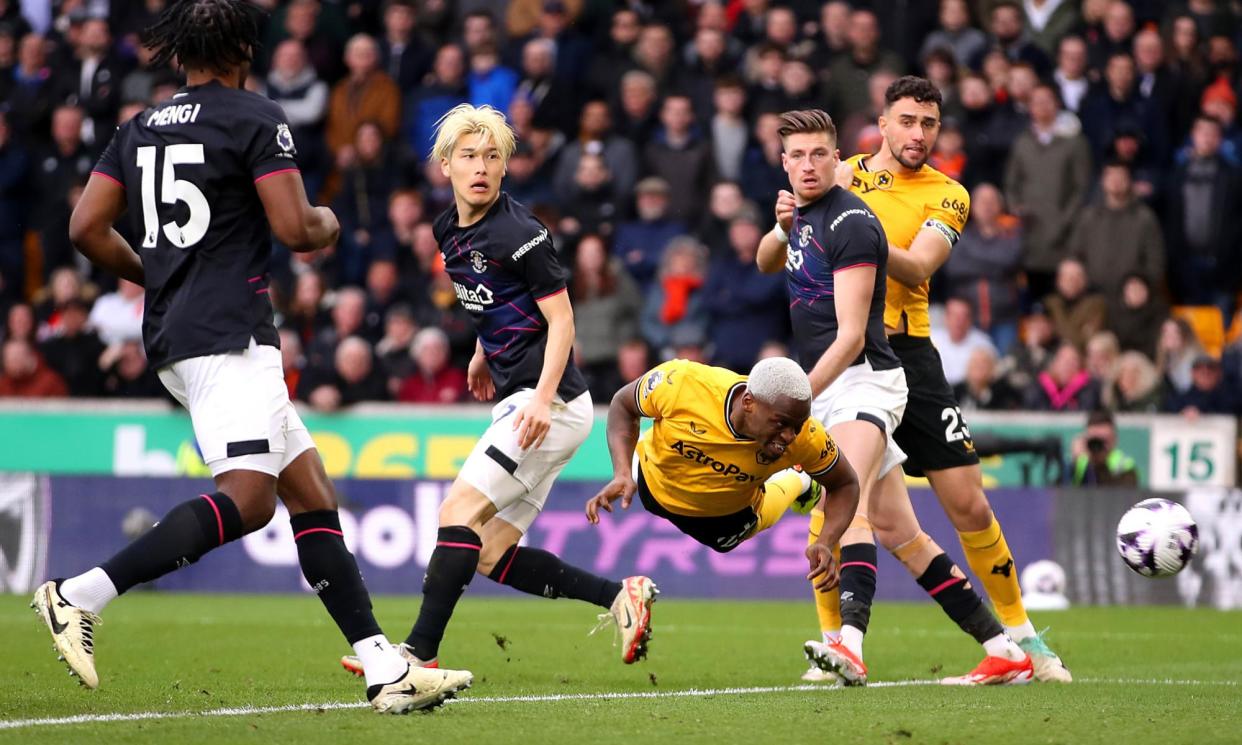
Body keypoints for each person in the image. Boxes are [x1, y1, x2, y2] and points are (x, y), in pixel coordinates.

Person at [39, 0, 471, 714]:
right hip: (226, 334)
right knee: (248, 500)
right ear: (243, 50)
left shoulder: (138, 125)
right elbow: (297, 228)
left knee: (310, 493)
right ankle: (77, 593)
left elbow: (86, 227)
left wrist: (158, 273)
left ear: (181, 55)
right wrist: (329, 223)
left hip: (181, 331)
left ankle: (382, 667)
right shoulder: (253, 116)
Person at [339, 104, 655, 678]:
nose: (481, 167)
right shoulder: (447, 232)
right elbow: (494, 299)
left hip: (547, 403)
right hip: (537, 400)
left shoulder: (522, 232)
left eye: (493, 157)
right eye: (469, 156)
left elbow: (562, 322)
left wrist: (539, 397)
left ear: (505, 169)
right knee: (487, 552)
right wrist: (482, 352)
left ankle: (417, 655)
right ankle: (619, 595)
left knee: (456, 511)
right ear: (446, 166)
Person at [757, 108, 1031, 687]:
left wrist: (798, 400)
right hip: (833, 379)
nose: (808, 165)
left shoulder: (854, 221)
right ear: (783, 164)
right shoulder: (805, 212)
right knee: (902, 535)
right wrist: (781, 227)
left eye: (818, 155)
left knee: (845, 499)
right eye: (797, 157)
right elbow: (764, 260)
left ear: (840, 159)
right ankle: (1004, 648)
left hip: (864, 379)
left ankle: (848, 646)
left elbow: (854, 334)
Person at [838, 78, 1070, 682]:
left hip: (910, 354)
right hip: (846, 352)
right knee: (848, 502)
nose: (918, 134)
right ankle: (837, 646)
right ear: (881, 124)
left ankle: (1024, 640)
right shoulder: (839, 173)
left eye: (929, 124)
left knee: (968, 502)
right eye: (908, 121)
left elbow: (916, 264)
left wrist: (848, 215)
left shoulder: (949, 194)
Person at [585, 356, 858, 585]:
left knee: (727, 541)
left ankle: (798, 481)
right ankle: (800, 478)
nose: (789, 436)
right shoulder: (682, 383)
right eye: (781, 423)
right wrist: (621, 472)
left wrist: (826, 540)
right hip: (653, 484)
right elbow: (623, 403)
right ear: (749, 402)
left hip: (727, 517)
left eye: (797, 425)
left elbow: (846, 484)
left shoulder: (807, 439)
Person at [1068, 410, 1138, 486]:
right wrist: (1073, 463)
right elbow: (1061, 491)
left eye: (1104, 440)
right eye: (1095, 440)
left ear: (1114, 440)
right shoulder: (1081, 462)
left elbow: (1122, 494)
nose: (1098, 446)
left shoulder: (1124, 465)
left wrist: (1101, 464)